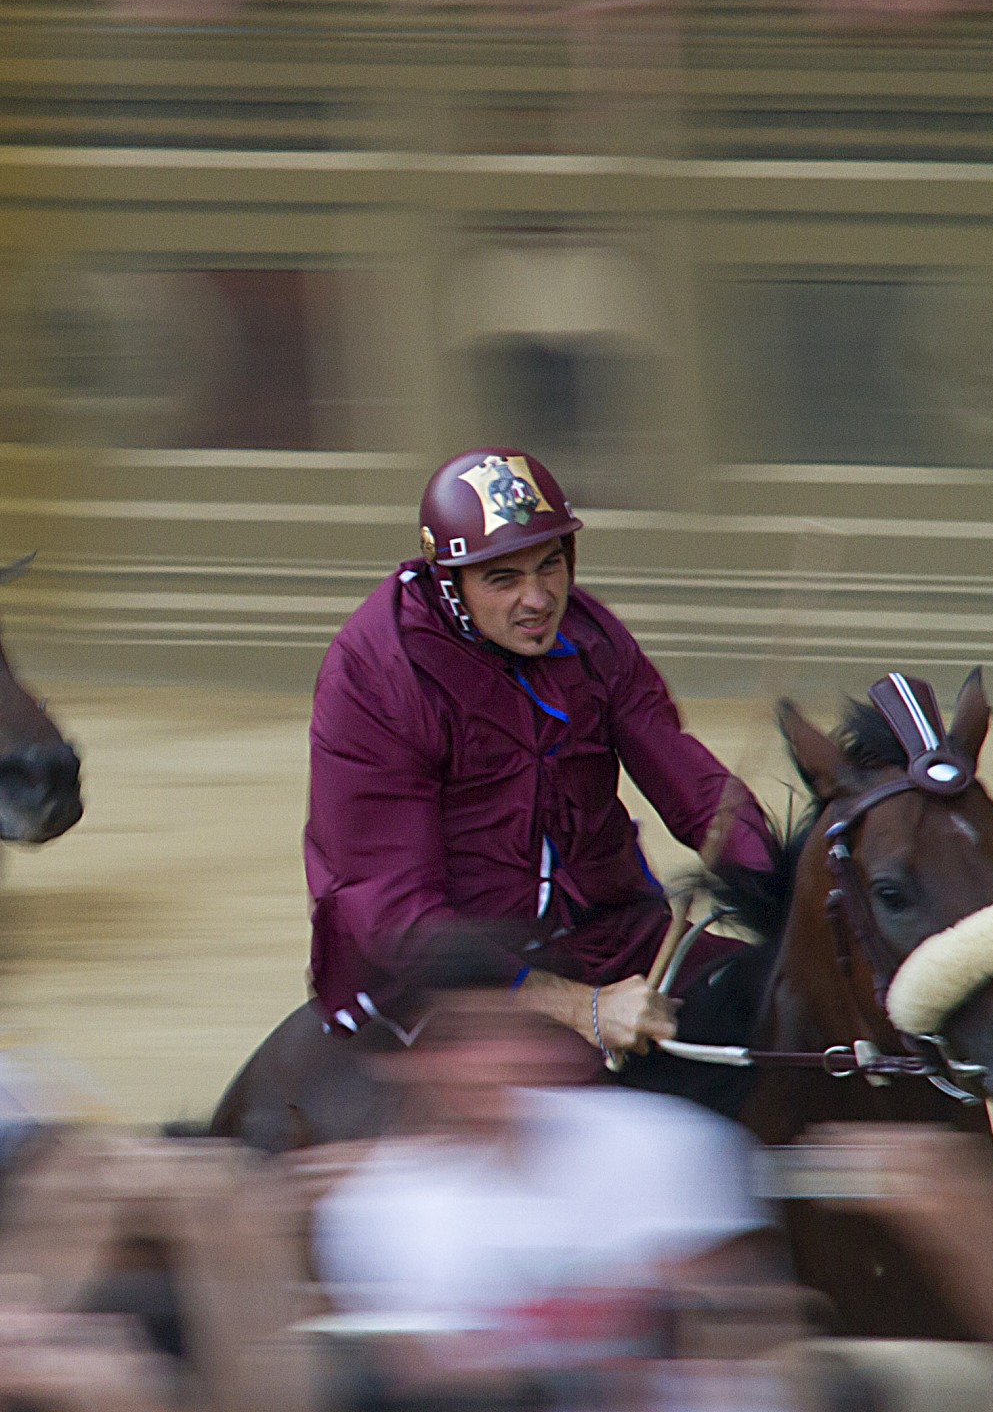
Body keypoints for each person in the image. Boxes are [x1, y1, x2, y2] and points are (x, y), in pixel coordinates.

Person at [304, 446, 778, 1063]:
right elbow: (401, 921)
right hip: (453, 980)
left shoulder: (591, 637)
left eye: (550, 566)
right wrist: (582, 1009)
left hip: (616, 941)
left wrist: (782, 892)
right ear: (450, 585)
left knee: (786, 1009)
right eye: (503, 578)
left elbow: (696, 792)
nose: (538, 599)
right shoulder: (376, 676)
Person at [312, 974, 793, 1384]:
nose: (492, 1061)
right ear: (418, 1063)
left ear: (558, 1045)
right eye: (464, 1040)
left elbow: (757, 1338)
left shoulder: (676, 1143)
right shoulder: (372, 1212)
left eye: (510, 1031)